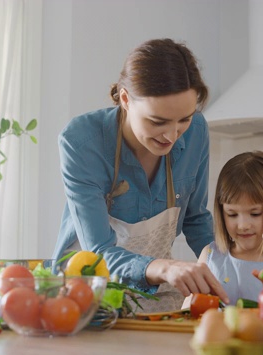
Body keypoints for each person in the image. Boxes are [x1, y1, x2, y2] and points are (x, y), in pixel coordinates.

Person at [52, 38, 229, 312]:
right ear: (125, 99)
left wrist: (229, 266)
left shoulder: (197, 132)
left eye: (184, 119)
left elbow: (195, 218)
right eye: (158, 121)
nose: (172, 136)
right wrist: (164, 267)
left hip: (152, 292)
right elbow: (97, 252)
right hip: (85, 294)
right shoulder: (81, 142)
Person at [183, 151, 263, 308]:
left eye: (255, 213)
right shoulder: (211, 257)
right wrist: (191, 302)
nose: (243, 225)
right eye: (232, 214)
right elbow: (187, 313)